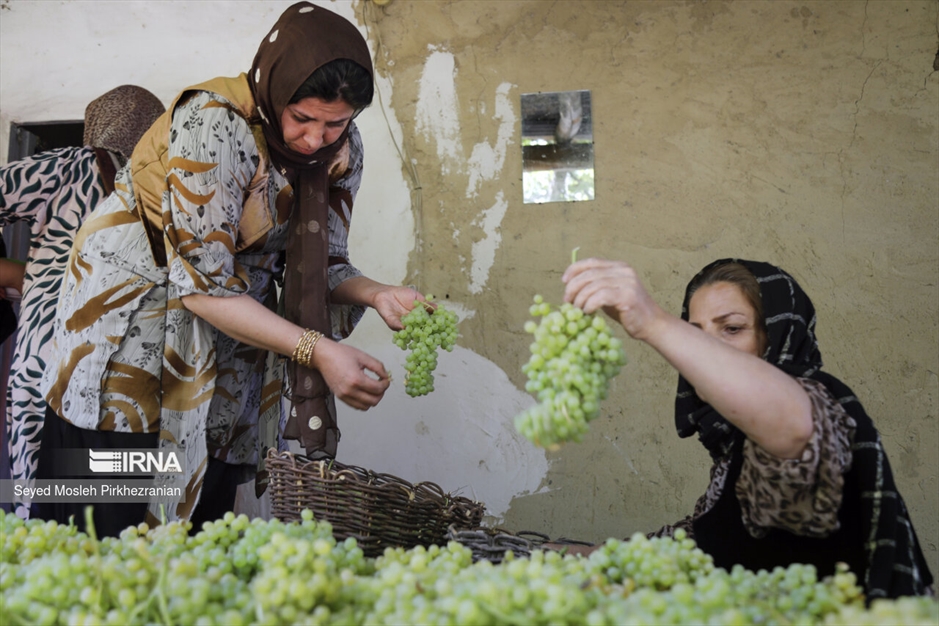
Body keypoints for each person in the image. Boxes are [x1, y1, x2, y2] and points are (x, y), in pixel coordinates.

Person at [37, 2, 426, 537]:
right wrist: (316, 349)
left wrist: (377, 294)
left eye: (335, 124)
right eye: (302, 119)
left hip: (230, 346)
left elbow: (326, 265)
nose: (314, 140)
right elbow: (202, 287)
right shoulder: (215, 124)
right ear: (275, 87)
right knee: (111, 518)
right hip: (134, 333)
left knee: (204, 504)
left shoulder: (341, 151)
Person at [562, 257, 934, 600]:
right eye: (694, 333)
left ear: (775, 336)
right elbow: (709, 540)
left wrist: (654, 323)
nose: (706, 348)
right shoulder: (733, 445)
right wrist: (599, 557)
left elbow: (797, 431)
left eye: (732, 328)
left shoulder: (818, 402)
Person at [0, 85, 165, 518]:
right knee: (115, 523)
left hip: (48, 378)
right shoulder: (167, 192)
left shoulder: (74, 164)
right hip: (132, 395)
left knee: (45, 523)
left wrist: (20, 275)